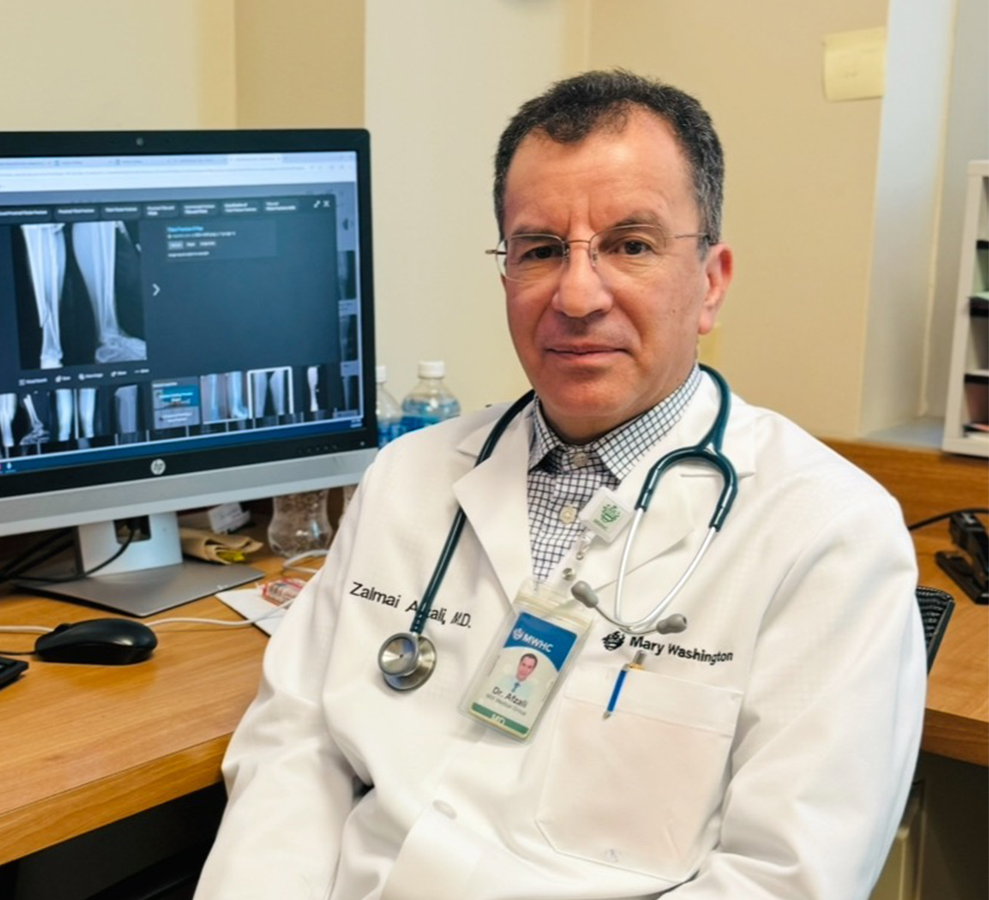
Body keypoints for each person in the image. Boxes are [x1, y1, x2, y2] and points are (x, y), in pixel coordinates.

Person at [194, 70, 925, 900]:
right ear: (506, 273)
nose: (577, 296)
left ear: (711, 282)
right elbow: (297, 747)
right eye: (541, 250)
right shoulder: (411, 476)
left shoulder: (826, 532)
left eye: (631, 245)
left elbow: (782, 881)